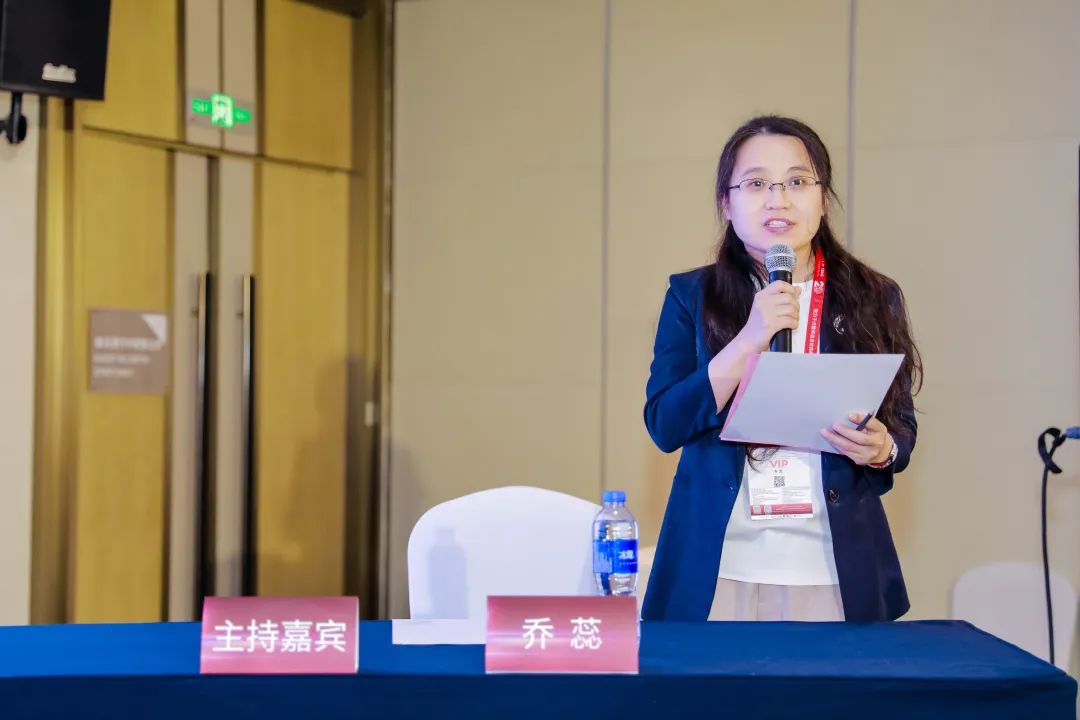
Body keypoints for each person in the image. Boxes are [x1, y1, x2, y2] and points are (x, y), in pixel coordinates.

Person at [641, 115, 922, 622]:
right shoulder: (692, 296)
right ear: (726, 204)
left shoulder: (873, 297)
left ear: (822, 198)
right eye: (756, 184)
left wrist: (882, 449)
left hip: (833, 571)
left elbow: (901, 429)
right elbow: (665, 423)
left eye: (797, 182)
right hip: (720, 570)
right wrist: (750, 338)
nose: (778, 200)